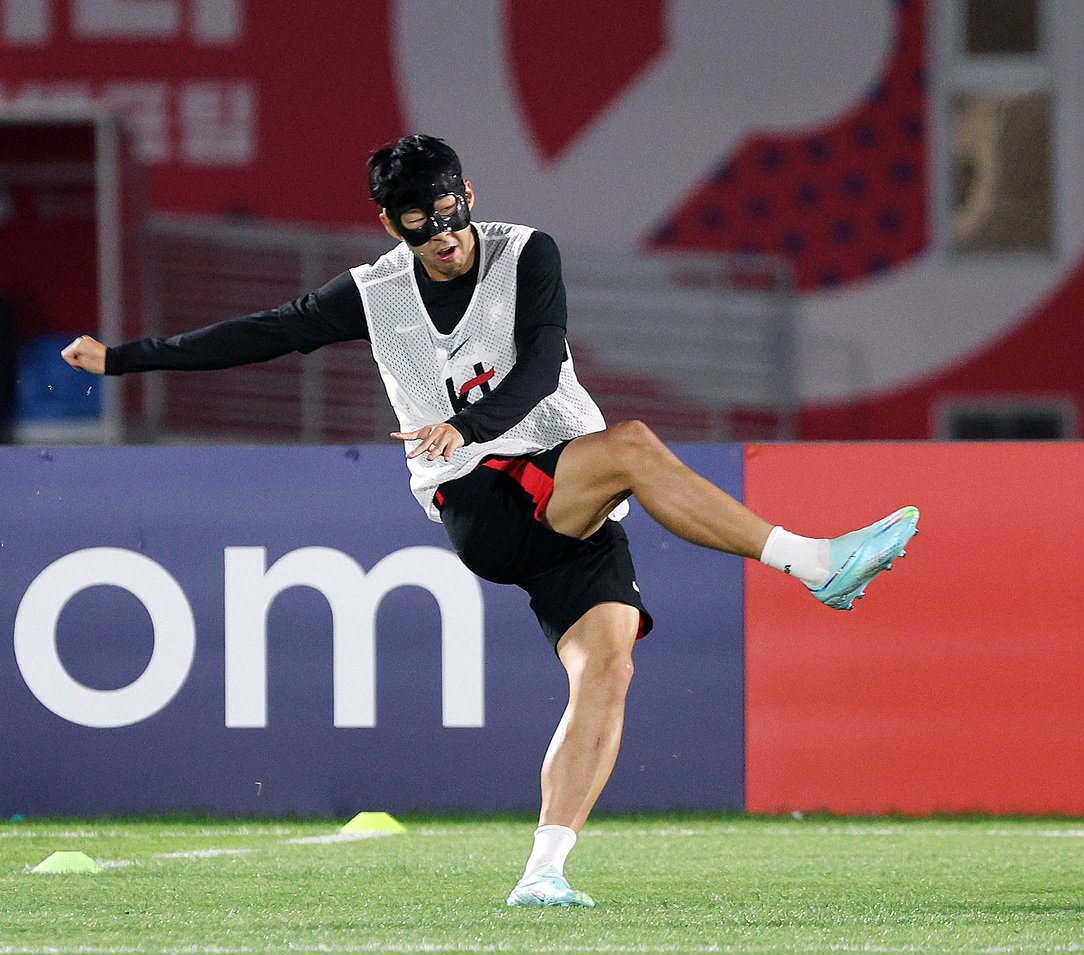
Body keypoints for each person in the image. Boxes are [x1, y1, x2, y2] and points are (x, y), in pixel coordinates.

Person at [62, 134, 919, 908]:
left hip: (560, 491)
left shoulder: (524, 253)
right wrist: (127, 359)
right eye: (419, 221)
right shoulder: (377, 292)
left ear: (466, 193)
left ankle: (543, 870)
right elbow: (267, 333)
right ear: (392, 225)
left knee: (608, 666)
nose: (443, 232)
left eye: (449, 210)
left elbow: (544, 360)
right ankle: (813, 562)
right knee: (632, 447)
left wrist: (466, 419)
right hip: (479, 499)